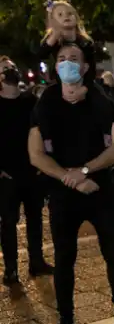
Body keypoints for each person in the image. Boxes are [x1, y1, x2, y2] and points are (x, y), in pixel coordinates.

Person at [28, 43, 114, 324]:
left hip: (99, 190)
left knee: (113, 252)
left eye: (74, 59)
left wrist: (85, 171)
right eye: (62, 59)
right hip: (65, 193)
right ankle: (65, 322)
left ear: (86, 67)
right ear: (55, 67)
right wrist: (73, 179)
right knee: (65, 259)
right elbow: (36, 154)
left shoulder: (100, 99)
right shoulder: (47, 101)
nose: (67, 63)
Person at [0, 56, 53, 285]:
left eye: (11, 67)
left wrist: (45, 163)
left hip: (32, 173)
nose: (11, 70)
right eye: (4, 69)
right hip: (7, 177)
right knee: (8, 223)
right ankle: (10, 269)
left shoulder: (30, 102)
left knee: (35, 220)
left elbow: (44, 132)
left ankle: (36, 262)